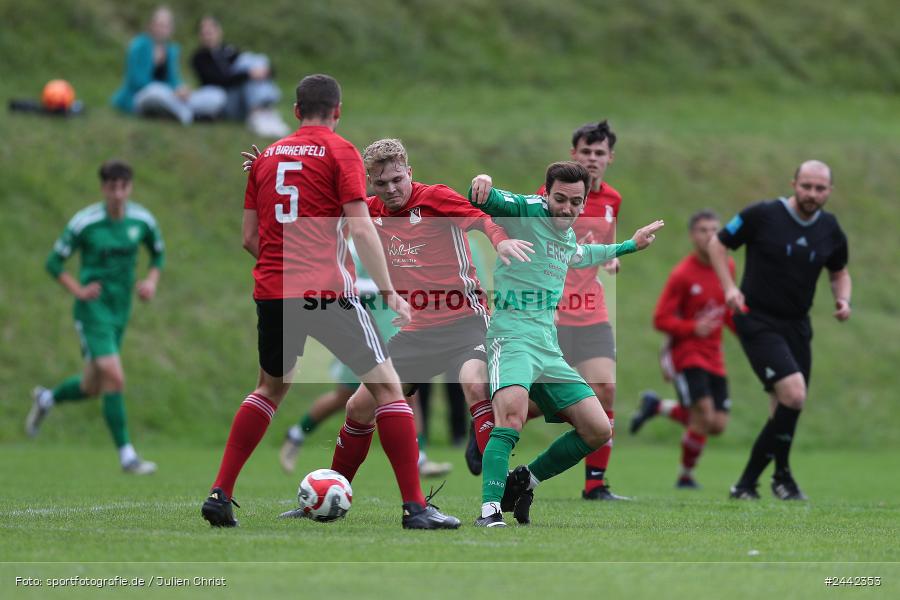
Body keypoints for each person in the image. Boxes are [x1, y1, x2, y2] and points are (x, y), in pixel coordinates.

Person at [201, 74, 459, 530]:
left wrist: (285, 270)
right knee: (388, 389)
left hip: (273, 292)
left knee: (269, 389)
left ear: (296, 111)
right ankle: (415, 509)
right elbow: (360, 228)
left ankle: (220, 494)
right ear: (338, 111)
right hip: (326, 292)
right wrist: (387, 291)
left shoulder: (264, 160)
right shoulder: (341, 152)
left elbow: (248, 239)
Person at [468, 162, 664, 527]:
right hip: (511, 337)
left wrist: (630, 245)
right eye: (560, 199)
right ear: (546, 193)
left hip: (547, 348)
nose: (567, 209)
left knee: (598, 428)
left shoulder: (568, 236)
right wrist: (483, 183)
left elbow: (580, 256)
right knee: (511, 414)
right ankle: (490, 510)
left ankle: (526, 480)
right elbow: (486, 200)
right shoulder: (527, 210)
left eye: (576, 202)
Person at [709, 160, 851, 501]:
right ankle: (774, 479)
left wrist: (843, 299)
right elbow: (718, 242)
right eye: (806, 186)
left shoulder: (830, 228)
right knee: (794, 394)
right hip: (756, 318)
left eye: (819, 189)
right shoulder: (762, 214)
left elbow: (838, 271)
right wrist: (729, 287)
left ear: (829, 191)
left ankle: (755, 484)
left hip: (797, 325)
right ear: (794, 183)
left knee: (785, 408)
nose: (812, 194)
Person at [27, 160, 164, 475]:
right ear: (103, 188)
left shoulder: (142, 220)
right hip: (92, 311)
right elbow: (53, 263)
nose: (117, 193)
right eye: (111, 187)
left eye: (123, 187)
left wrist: (150, 282)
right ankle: (128, 456)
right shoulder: (85, 223)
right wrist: (78, 290)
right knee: (115, 378)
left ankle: (47, 398)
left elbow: (157, 253)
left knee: (91, 386)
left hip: (120, 311)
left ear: (129, 188)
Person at [538, 120, 627, 500]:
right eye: (586, 152)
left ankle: (595, 485)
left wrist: (610, 261)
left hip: (591, 311)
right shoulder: (549, 195)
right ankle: (487, 434)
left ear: (610, 158)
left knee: (605, 388)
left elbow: (598, 244)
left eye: (599, 153)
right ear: (574, 153)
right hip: (553, 312)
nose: (593, 159)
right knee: (529, 400)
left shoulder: (612, 200)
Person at [629, 210, 736, 488]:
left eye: (715, 229)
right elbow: (660, 318)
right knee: (703, 410)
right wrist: (692, 328)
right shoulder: (683, 274)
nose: (710, 235)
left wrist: (750, 332)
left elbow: (728, 310)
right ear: (692, 235)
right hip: (685, 353)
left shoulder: (728, 266)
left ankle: (658, 407)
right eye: (703, 230)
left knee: (717, 424)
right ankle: (686, 476)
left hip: (714, 355)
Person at [111, 6, 222, 125]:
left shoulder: (171, 50)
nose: (162, 29)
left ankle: (176, 112)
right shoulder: (139, 46)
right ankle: (190, 116)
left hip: (168, 97)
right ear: (151, 25)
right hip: (142, 96)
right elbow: (136, 81)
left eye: (166, 25)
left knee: (216, 94)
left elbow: (173, 79)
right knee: (155, 91)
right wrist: (170, 91)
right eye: (159, 24)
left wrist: (181, 89)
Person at [190, 15, 290, 137]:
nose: (208, 34)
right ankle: (260, 111)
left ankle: (264, 110)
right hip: (224, 102)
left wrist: (263, 72)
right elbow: (219, 80)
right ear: (200, 35)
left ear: (219, 31)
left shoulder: (229, 50)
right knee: (247, 64)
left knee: (257, 59)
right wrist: (248, 74)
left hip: (242, 98)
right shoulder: (199, 58)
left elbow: (261, 71)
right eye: (204, 32)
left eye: (211, 30)